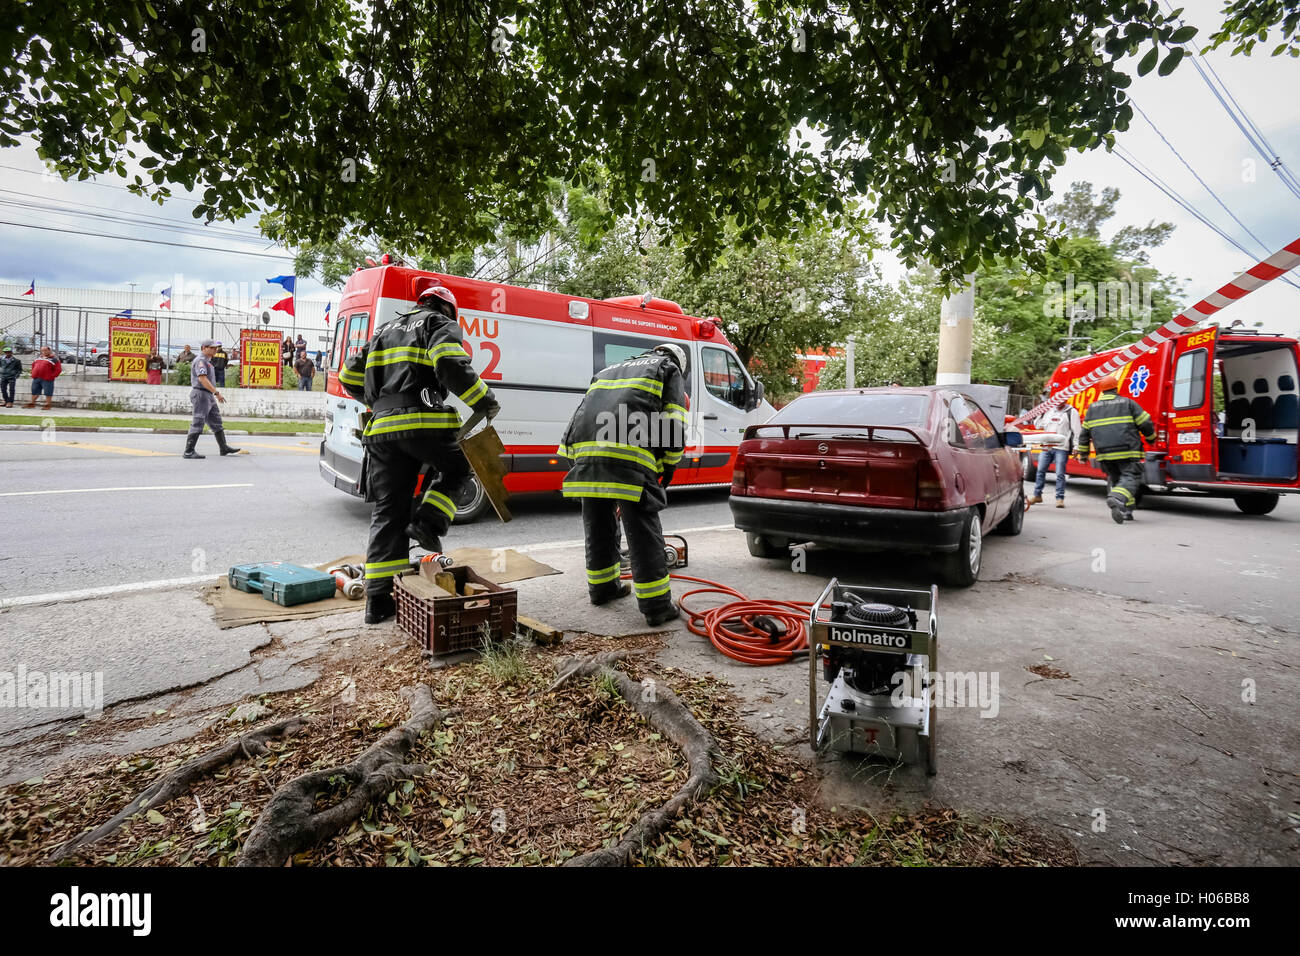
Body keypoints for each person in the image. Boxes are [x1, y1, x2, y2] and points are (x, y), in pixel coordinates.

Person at [339, 279, 498, 625]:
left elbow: (347, 374)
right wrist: (483, 400)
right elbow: (450, 364)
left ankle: (378, 602)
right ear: (447, 309)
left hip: (380, 431)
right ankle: (429, 522)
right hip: (423, 421)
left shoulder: (383, 330)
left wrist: (380, 403)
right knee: (459, 468)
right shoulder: (437, 323)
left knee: (388, 511)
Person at [558, 343, 688, 628]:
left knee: (598, 525)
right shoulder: (668, 369)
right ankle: (656, 608)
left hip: (584, 453)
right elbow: (673, 424)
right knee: (642, 530)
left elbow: (580, 414)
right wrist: (668, 465)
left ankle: (603, 590)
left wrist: (577, 461)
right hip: (629, 460)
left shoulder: (607, 371)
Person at [1075, 373, 1154, 524]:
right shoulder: (1127, 403)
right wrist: (1151, 438)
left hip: (1104, 454)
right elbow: (1146, 422)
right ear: (1116, 388)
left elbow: (1084, 434)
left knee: (1118, 480)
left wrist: (1083, 454)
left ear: (1102, 390)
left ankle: (1126, 511)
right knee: (1131, 477)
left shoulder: (1092, 408)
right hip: (1127, 450)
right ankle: (1117, 498)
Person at [183, 339, 241, 459]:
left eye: (216, 348)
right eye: (212, 348)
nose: (215, 350)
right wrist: (216, 392)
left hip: (208, 395)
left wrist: (213, 393)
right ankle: (189, 451)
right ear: (204, 348)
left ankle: (223, 447)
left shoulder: (208, 361)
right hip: (201, 394)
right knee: (198, 421)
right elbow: (202, 379)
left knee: (216, 421)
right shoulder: (201, 361)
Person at [1030, 402, 1082, 508]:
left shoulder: (1071, 412)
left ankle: (1059, 498)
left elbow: (1077, 431)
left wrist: (1076, 446)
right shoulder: (1049, 411)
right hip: (1047, 446)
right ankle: (1037, 495)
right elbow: (1038, 425)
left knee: (1060, 473)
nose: (1058, 402)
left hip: (1062, 447)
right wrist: (1041, 413)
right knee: (1040, 470)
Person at [23, 345, 61, 410]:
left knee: (48, 392)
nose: (43, 352)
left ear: (49, 350)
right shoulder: (38, 358)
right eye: (42, 350)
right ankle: (32, 403)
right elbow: (33, 366)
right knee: (34, 391)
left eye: (45, 350)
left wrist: (52, 376)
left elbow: (58, 369)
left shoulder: (54, 359)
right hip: (36, 377)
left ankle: (47, 405)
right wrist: (33, 373)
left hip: (47, 379)